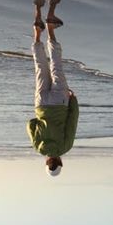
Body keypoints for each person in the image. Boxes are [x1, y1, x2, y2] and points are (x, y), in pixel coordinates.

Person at [26, 22, 79, 175]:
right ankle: (37, 33)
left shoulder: (65, 147)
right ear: (47, 162)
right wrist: (40, 120)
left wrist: (73, 100)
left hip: (60, 103)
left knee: (56, 66)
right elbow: (30, 124)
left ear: (61, 162)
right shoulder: (39, 148)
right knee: (40, 68)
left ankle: (50, 29)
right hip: (41, 105)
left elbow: (72, 121)